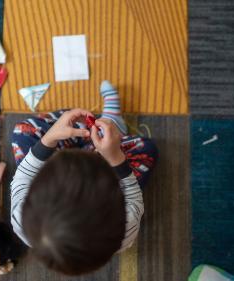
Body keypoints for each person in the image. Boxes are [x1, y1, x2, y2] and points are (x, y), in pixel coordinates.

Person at [10, 80, 158, 275]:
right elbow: (134, 199)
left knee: (23, 131)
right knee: (146, 149)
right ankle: (112, 128)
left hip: (59, 150)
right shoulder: (124, 228)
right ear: (114, 204)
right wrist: (116, 161)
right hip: (108, 161)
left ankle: (83, 132)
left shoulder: (21, 218)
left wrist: (49, 139)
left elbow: (22, 177)